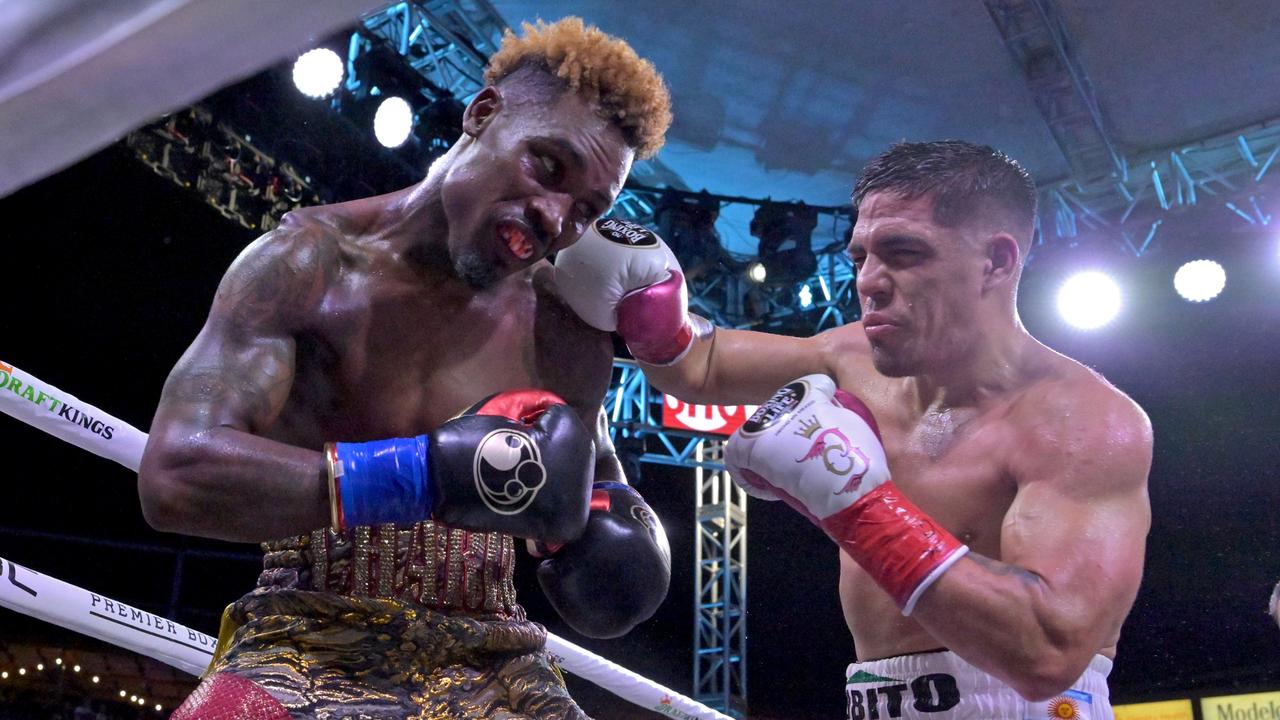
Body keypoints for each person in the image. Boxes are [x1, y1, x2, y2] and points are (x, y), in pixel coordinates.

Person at [137, 18, 673, 720]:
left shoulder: (565, 329)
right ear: (482, 114)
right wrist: (420, 473)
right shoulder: (311, 265)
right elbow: (175, 476)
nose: (554, 217)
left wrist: (621, 551)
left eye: (587, 211)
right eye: (547, 166)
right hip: (307, 637)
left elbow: (597, 525)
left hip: (495, 662)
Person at [553, 141, 1153, 719]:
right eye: (861, 257)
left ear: (996, 261)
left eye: (905, 253)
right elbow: (702, 365)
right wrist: (649, 305)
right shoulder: (851, 357)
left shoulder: (1084, 423)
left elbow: (1048, 650)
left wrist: (862, 508)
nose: (868, 281)